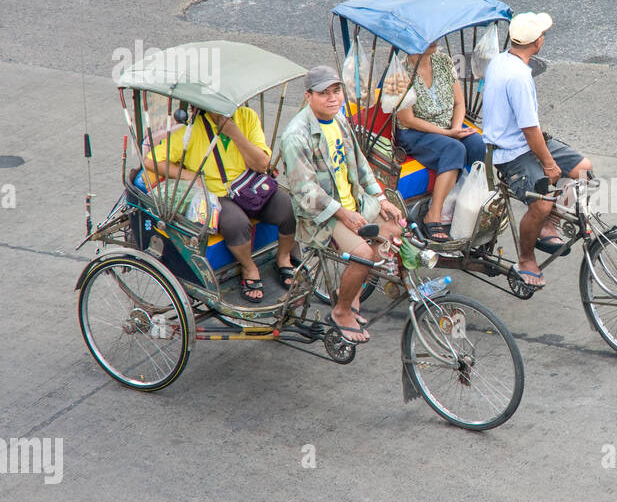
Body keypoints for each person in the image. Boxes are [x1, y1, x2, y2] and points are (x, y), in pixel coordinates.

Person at [279, 66, 406, 342]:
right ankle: (341, 310)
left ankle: (355, 294)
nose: (333, 98)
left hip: (354, 201)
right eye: (324, 93)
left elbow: (360, 164)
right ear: (309, 96)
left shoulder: (339, 120)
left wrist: (381, 199)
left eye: (336, 91)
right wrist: (343, 214)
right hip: (321, 214)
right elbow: (305, 192)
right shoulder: (296, 136)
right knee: (363, 254)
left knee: (395, 229)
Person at [481, 12, 591, 289]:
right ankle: (526, 258)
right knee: (542, 202)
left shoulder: (502, 59)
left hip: (527, 141)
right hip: (510, 152)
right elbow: (530, 130)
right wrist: (550, 164)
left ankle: (548, 224)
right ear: (537, 42)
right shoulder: (518, 76)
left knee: (584, 171)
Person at [144, 104, 295, 303]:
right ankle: (249, 267)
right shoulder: (192, 127)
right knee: (236, 223)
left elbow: (261, 164)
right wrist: (190, 176)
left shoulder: (247, 117)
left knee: (287, 205)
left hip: (249, 185)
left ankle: (283, 257)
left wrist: (234, 133)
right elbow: (152, 160)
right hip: (216, 194)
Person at [394, 42, 486, 243]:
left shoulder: (443, 61)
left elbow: (459, 102)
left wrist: (456, 128)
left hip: (449, 125)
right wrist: (448, 133)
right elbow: (407, 119)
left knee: (477, 143)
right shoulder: (400, 73)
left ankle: (467, 203)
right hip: (416, 132)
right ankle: (433, 215)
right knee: (454, 149)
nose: (435, 41)